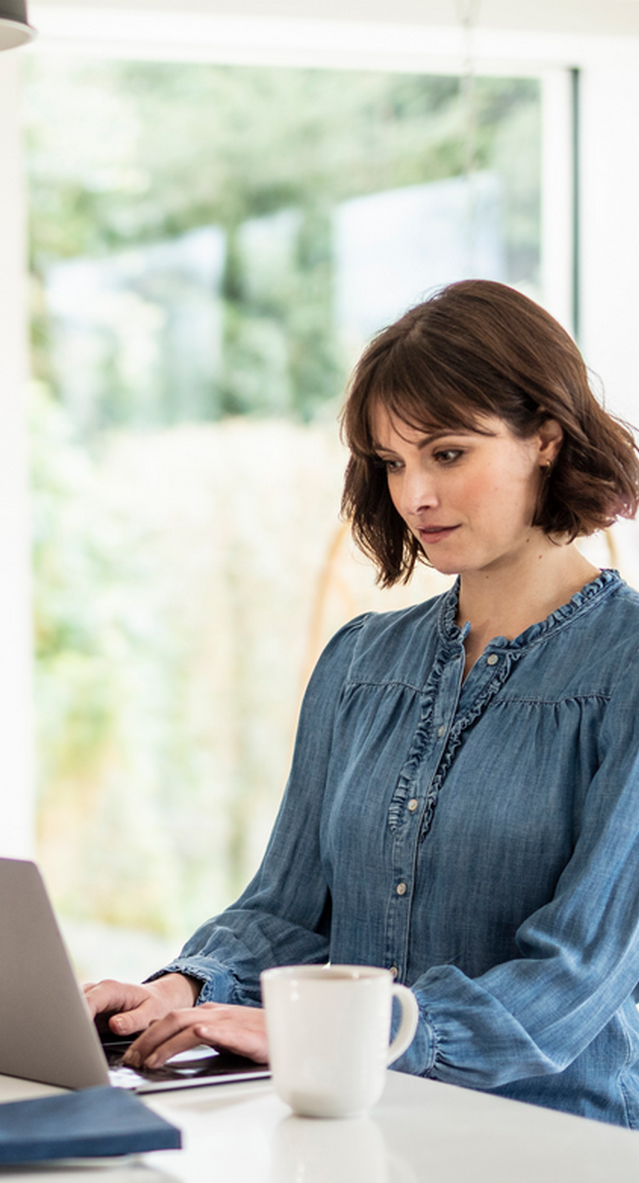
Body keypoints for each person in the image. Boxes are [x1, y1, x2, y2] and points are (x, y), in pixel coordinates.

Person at [85, 279, 639, 1126]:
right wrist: (178, 989)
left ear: (548, 441)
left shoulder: (626, 665)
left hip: (558, 1149)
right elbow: (287, 908)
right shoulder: (359, 662)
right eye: (391, 463)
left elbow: (576, 976)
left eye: (447, 454)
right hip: (349, 1128)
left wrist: (351, 1033)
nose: (415, 494)